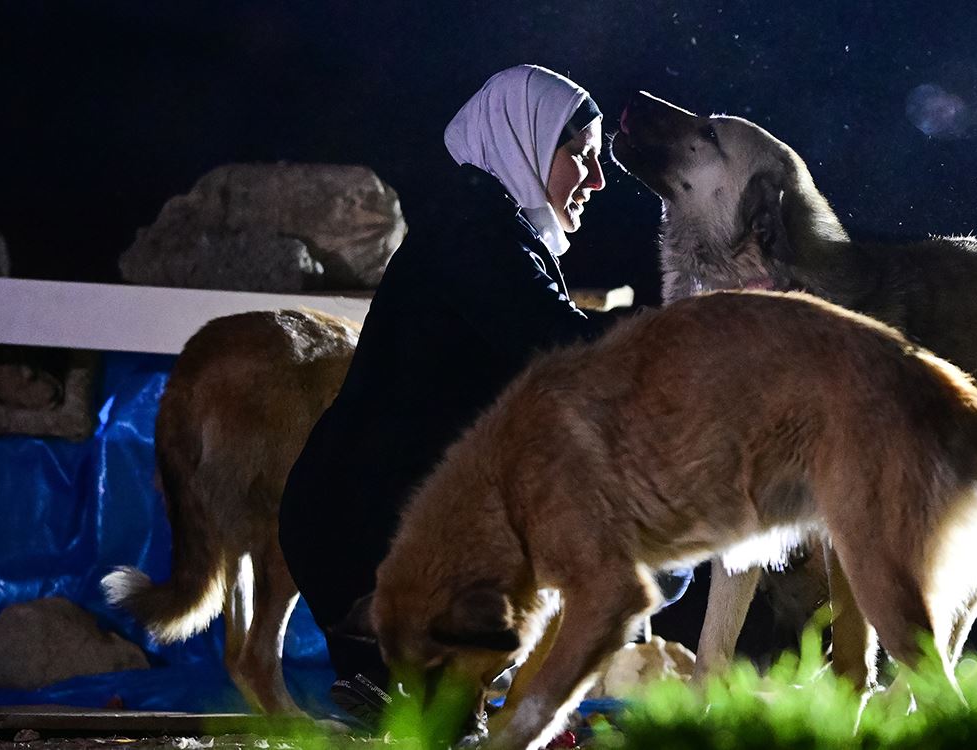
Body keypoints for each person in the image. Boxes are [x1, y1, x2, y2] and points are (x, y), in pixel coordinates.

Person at [276, 65, 683, 725]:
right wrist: (693, 323)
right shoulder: (477, 234)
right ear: (523, 143)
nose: (598, 180)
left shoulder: (490, 229)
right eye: (579, 156)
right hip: (373, 537)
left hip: (380, 525)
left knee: (434, 720)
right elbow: (562, 347)